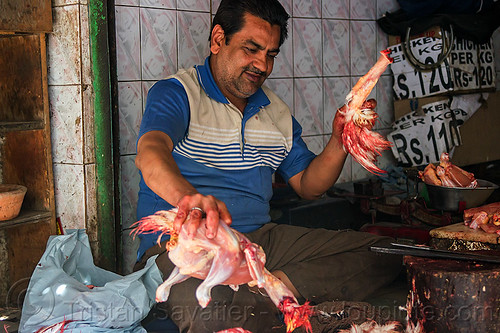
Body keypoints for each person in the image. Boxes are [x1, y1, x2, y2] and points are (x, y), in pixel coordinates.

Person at [133, 0, 402, 331]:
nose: (262, 64)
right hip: (186, 249)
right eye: (252, 49)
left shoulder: (275, 112)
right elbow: (150, 151)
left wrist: (340, 140)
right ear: (218, 40)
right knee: (215, 319)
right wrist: (189, 199)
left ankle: (267, 288)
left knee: (389, 252)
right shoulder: (178, 93)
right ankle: (271, 299)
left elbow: (309, 185)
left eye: (271, 54)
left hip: (259, 243)